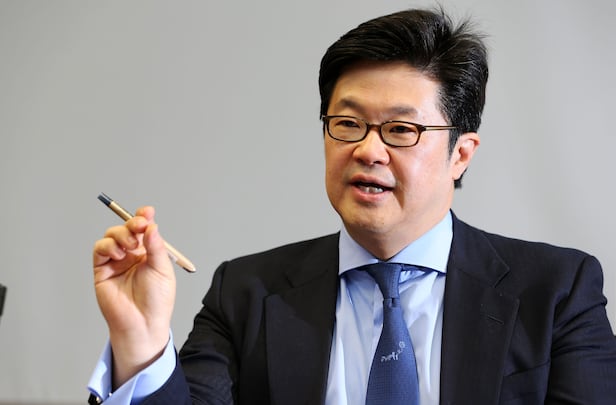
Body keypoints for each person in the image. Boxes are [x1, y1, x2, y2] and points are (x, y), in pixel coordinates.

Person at [88, 7, 616, 404]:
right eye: (347, 123)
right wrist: (142, 341)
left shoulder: (556, 291)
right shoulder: (246, 293)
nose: (367, 149)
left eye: (401, 129)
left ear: (460, 154)